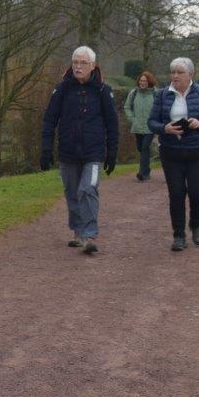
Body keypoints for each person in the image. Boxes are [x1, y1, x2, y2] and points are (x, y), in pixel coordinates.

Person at [39, 46, 119, 254]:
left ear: (93, 66)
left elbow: (112, 123)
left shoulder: (102, 91)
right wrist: (46, 148)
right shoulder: (62, 89)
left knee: (88, 189)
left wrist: (112, 152)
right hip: (68, 151)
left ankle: (89, 235)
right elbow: (49, 120)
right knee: (72, 193)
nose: (78, 66)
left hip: (94, 152)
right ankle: (78, 231)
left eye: (83, 63)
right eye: (75, 62)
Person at [147, 56, 199, 252]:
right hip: (171, 153)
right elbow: (151, 122)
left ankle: (195, 225)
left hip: (198, 151)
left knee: (198, 193)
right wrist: (165, 128)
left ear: (191, 74)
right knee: (176, 194)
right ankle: (178, 235)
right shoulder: (163, 94)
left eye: (180, 72)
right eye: (173, 72)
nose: (175, 76)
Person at [123, 70, 158, 181]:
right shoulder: (133, 93)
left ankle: (142, 173)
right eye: (141, 81)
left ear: (149, 82)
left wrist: (156, 122)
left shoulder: (155, 93)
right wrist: (132, 119)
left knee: (145, 147)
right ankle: (147, 171)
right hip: (137, 126)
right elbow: (127, 107)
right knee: (141, 148)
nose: (142, 83)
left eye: (145, 81)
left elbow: (160, 108)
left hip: (150, 126)